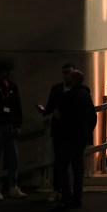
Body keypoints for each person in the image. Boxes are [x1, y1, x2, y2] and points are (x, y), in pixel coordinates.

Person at [51, 68, 96, 211]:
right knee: (78, 167)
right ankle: (77, 198)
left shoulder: (68, 96)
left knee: (62, 166)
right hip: (82, 136)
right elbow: (92, 116)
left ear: (73, 80)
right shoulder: (86, 94)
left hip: (69, 136)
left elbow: (59, 115)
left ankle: (66, 198)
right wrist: (88, 132)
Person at [0, 61, 28, 200]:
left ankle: (13, 186)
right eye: (7, 71)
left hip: (10, 127)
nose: (9, 74)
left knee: (13, 159)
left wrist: (18, 124)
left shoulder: (12, 86)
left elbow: (17, 106)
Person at [38, 62, 75, 203]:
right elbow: (50, 106)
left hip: (71, 130)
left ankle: (67, 188)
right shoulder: (57, 89)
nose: (67, 75)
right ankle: (57, 188)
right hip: (59, 129)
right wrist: (45, 110)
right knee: (58, 161)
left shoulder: (78, 89)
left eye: (69, 72)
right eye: (64, 72)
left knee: (70, 161)